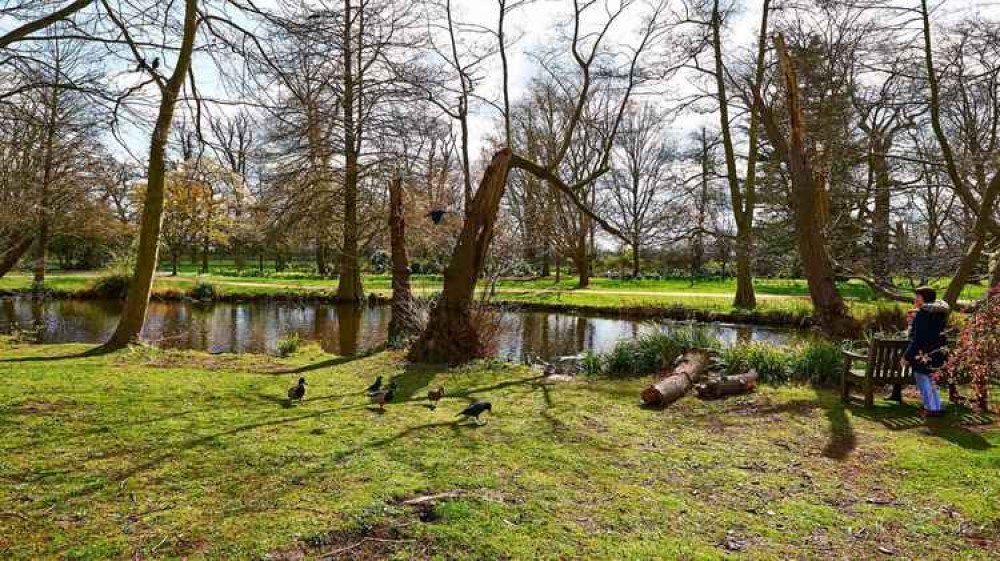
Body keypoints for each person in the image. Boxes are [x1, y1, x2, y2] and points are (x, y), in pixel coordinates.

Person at [901, 286, 950, 417]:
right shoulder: (939, 313)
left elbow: (918, 338)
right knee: (931, 379)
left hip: (923, 353)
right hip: (937, 351)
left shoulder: (923, 314)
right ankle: (936, 406)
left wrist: (906, 356)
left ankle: (931, 409)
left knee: (922, 379)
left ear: (925, 298)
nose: (915, 299)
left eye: (918, 296)